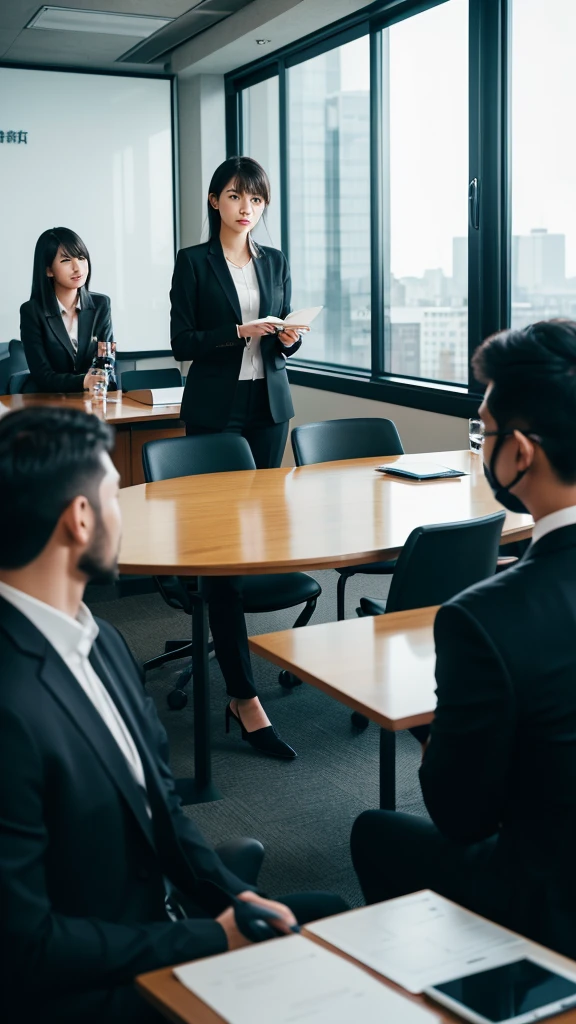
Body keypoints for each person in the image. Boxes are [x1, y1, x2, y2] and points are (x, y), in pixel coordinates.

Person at [0, 406, 347, 1024]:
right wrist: (210, 941)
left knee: (329, 919)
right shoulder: (10, 706)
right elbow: (26, 948)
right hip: (86, 985)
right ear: (79, 519)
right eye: (115, 496)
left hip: (159, 917)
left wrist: (233, 896)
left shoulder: (101, 639)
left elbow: (160, 804)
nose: (124, 517)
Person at [351, 318, 576, 960]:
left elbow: (462, 816)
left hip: (551, 911)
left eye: (487, 430)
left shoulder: (485, 619)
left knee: (375, 833)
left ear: (521, 453)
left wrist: (437, 739)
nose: (483, 443)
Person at [170, 156, 305, 759]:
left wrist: (286, 338)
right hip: (216, 410)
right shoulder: (193, 262)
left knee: (256, 542)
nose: (246, 206)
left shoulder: (274, 262)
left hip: (268, 408)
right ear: (214, 201)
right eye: (234, 195)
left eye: (255, 198)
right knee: (223, 550)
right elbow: (183, 341)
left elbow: (282, 345)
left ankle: (238, 660)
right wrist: (239, 331)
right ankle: (242, 693)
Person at [20, 226, 114, 393]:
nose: (77, 268)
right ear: (49, 270)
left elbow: (107, 359)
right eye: (65, 261)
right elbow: (43, 376)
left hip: (95, 401)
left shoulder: (101, 305)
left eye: (81, 258)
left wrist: (101, 380)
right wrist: (83, 382)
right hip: (51, 406)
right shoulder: (32, 312)